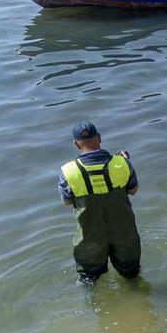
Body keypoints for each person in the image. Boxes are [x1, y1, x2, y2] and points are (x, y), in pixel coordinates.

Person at [58, 121, 142, 284]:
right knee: (132, 276)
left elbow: (67, 201)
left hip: (90, 237)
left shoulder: (68, 171)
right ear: (100, 138)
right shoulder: (122, 163)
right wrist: (123, 162)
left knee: (88, 280)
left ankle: (93, 307)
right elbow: (133, 190)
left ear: (75, 144)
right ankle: (136, 303)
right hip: (124, 232)